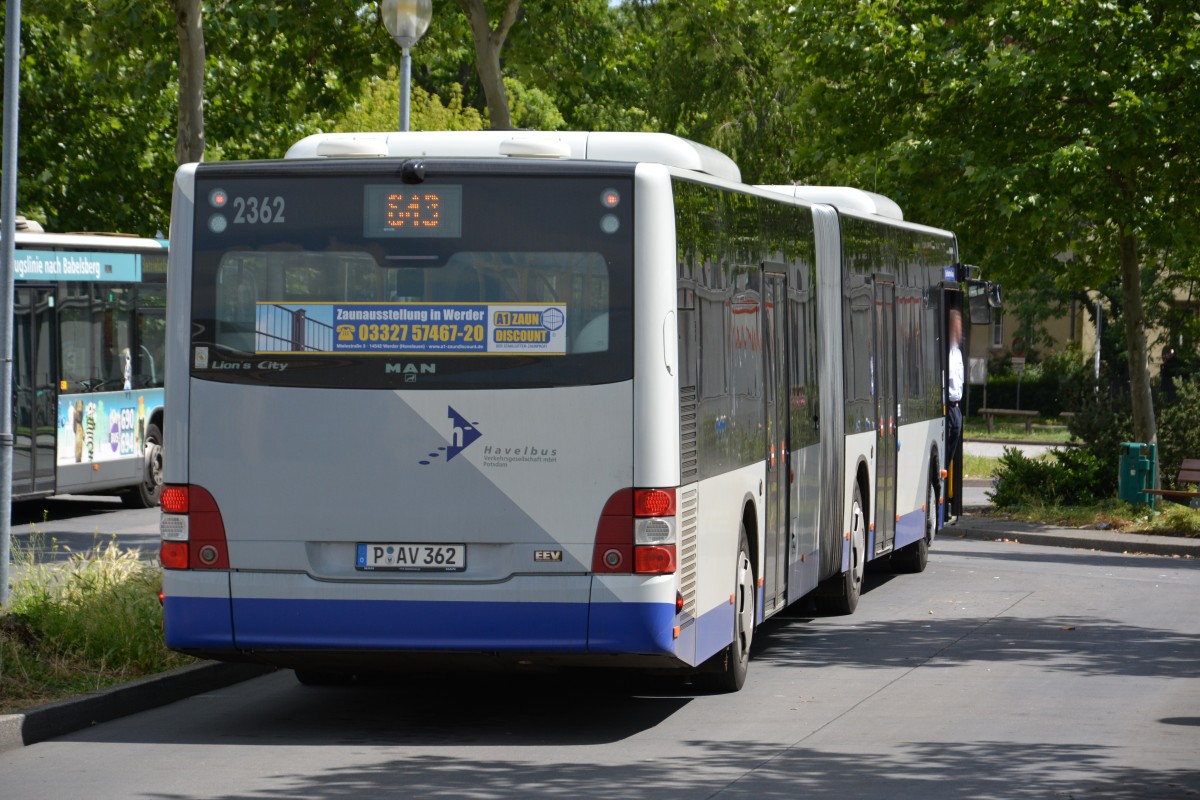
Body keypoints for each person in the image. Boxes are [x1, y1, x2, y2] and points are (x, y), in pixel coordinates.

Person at [946, 309, 964, 519]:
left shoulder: (957, 351)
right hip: (947, 406)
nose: (959, 330)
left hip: (957, 407)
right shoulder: (942, 349)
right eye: (956, 326)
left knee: (952, 446)